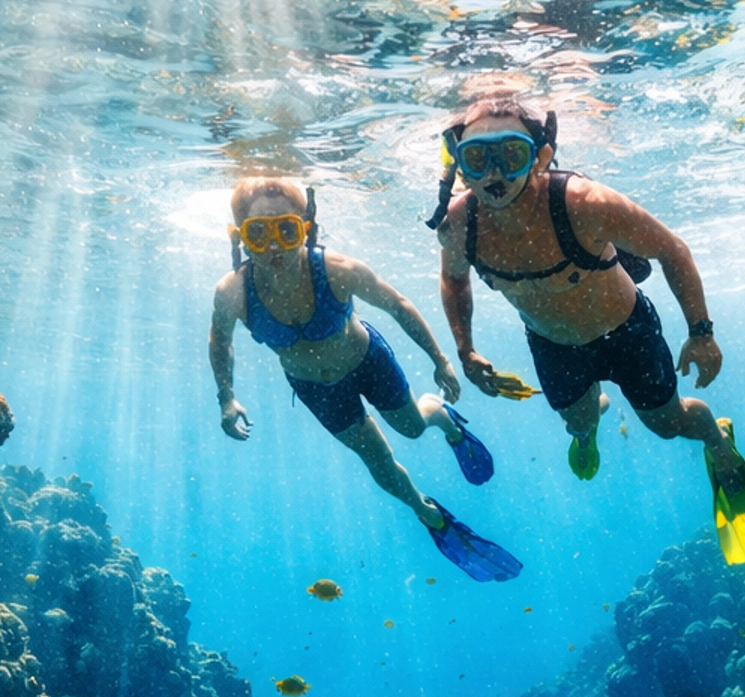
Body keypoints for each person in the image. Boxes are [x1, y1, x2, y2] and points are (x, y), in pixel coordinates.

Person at [430, 92, 745, 558]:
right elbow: (454, 280)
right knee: (577, 423)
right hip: (553, 345)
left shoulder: (584, 203)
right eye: (477, 159)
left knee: (669, 424)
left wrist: (701, 333)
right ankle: (588, 422)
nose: (494, 174)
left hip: (627, 333)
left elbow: (672, 249)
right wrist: (465, 349)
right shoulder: (458, 224)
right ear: (460, 166)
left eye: (510, 155)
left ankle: (718, 441)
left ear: (541, 158)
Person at [209, 175, 521, 582]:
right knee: (376, 458)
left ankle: (442, 417)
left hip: (367, 362)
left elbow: (398, 305)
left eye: (286, 231)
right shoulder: (233, 292)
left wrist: (441, 360)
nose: (272, 246)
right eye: (258, 232)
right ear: (240, 237)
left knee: (410, 428)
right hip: (316, 389)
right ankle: (428, 513)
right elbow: (220, 340)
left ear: (306, 228)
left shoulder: (337, 270)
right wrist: (226, 398)